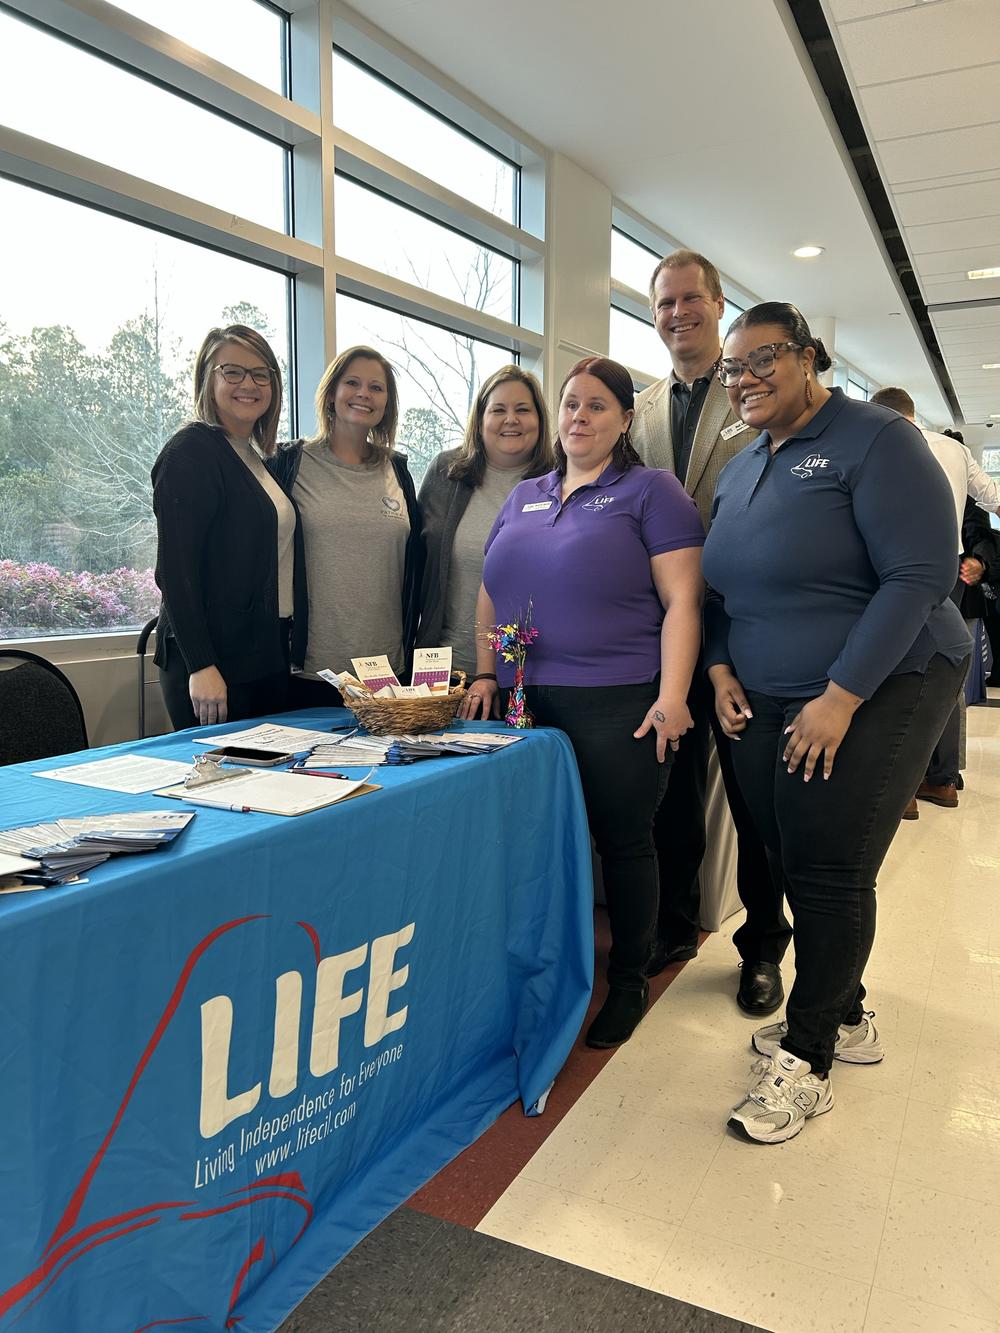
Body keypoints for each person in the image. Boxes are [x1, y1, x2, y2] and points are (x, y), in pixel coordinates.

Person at [703, 303, 971, 1143]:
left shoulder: (875, 439)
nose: (745, 378)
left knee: (827, 862)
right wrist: (716, 666)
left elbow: (921, 574)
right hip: (768, 689)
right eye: (732, 367)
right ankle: (846, 1013)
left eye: (763, 359)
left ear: (810, 357)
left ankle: (811, 1058)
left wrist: (842, 694)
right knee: (781, 845)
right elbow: (719, 588)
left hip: (888, 677)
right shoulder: (741, 467)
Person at [462, 356, 705, 1048]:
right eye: (570, 405)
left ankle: (628, 981)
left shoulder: (652, 491)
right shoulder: (526, 494)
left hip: (619, 699)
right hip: (524, 700)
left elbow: (683, 599)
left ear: (626, 419)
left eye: (597, 406)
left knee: (623, 843)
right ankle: (540, 967)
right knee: (535, 842)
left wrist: (673, 695)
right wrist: (484, 673)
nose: (579, 417)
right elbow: (491, 588)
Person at [631, 248, 789, 1016]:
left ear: (719, 303)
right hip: (666, 630)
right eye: (664, 301)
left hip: (744, 626)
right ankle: (671, 924)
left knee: (754, 796)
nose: (677, 312)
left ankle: (764, 945)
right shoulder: (641, 404)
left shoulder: (757, 393)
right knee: (670, 788)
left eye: (691, 298)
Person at [152, 324, 303, 730]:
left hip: (260, 654)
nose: (248, 384)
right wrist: (202, 664)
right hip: (213, 666)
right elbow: (176, 572)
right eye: (232, 371)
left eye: (261, 374)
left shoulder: (253, 457)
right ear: (207, 378)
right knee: (224, 788)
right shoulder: (192, 451)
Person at [268, 346, 422, 707]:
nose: (364, 394)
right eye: (352, 382)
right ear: (332, 393)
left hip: (386, 673)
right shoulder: (288, 463)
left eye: (376, 387)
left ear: (387, 403)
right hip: (308, 671)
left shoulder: (397, 471)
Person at [869, 388, 999, 814]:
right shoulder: (954, 450)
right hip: (948, 573)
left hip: (895, 570)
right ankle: (942, 780)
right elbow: (991, 496)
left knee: (896, 672)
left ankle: (902, 788)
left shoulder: (881, 441)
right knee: (944, 673)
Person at [417, 366, 553, 677]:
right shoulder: (445, 473)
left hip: (532, 672)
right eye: (498, 410)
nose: (511, 419)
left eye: (523, 409)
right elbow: (417, 564)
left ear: (540, 421)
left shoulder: (561, 482)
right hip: (447, 667)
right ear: (480, 421)